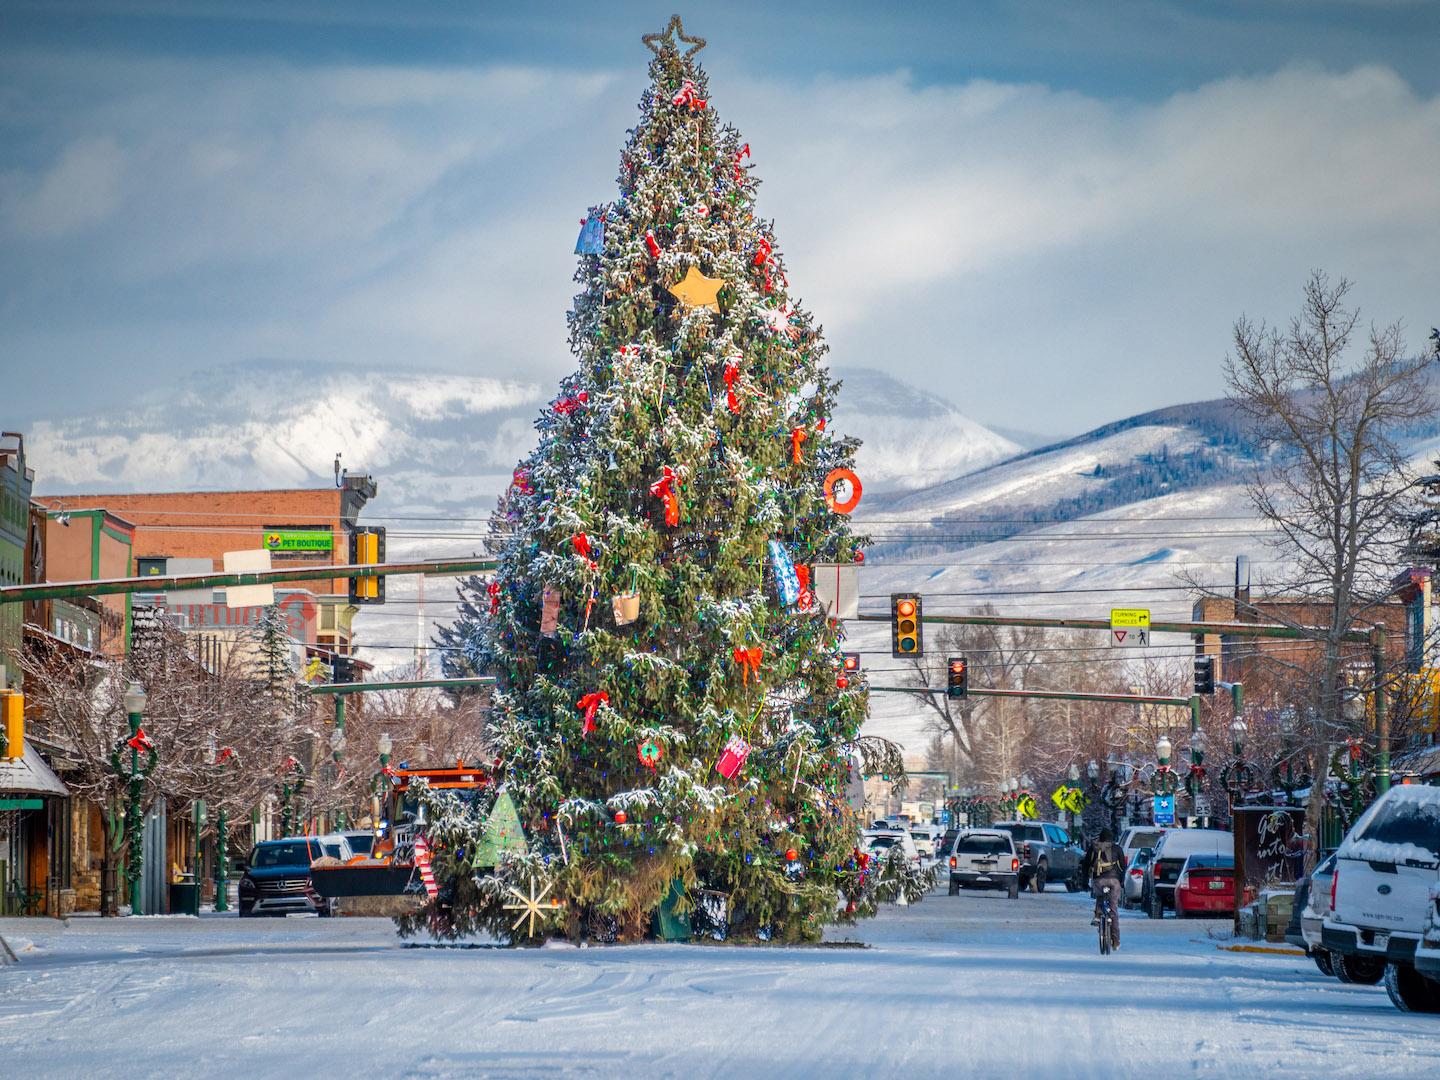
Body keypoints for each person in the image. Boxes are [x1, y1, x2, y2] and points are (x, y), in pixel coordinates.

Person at [1081, 827, 1127, 950]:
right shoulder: (1117, 849)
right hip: (1114, 881)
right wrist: (1121, 881)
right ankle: (1116, 941)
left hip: (1098, 881)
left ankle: (1097, 915)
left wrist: (1084, 882)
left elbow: (1085, 865)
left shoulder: (1094, 848)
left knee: (1100, 895)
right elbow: (1123, 866)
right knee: (1113, 910)